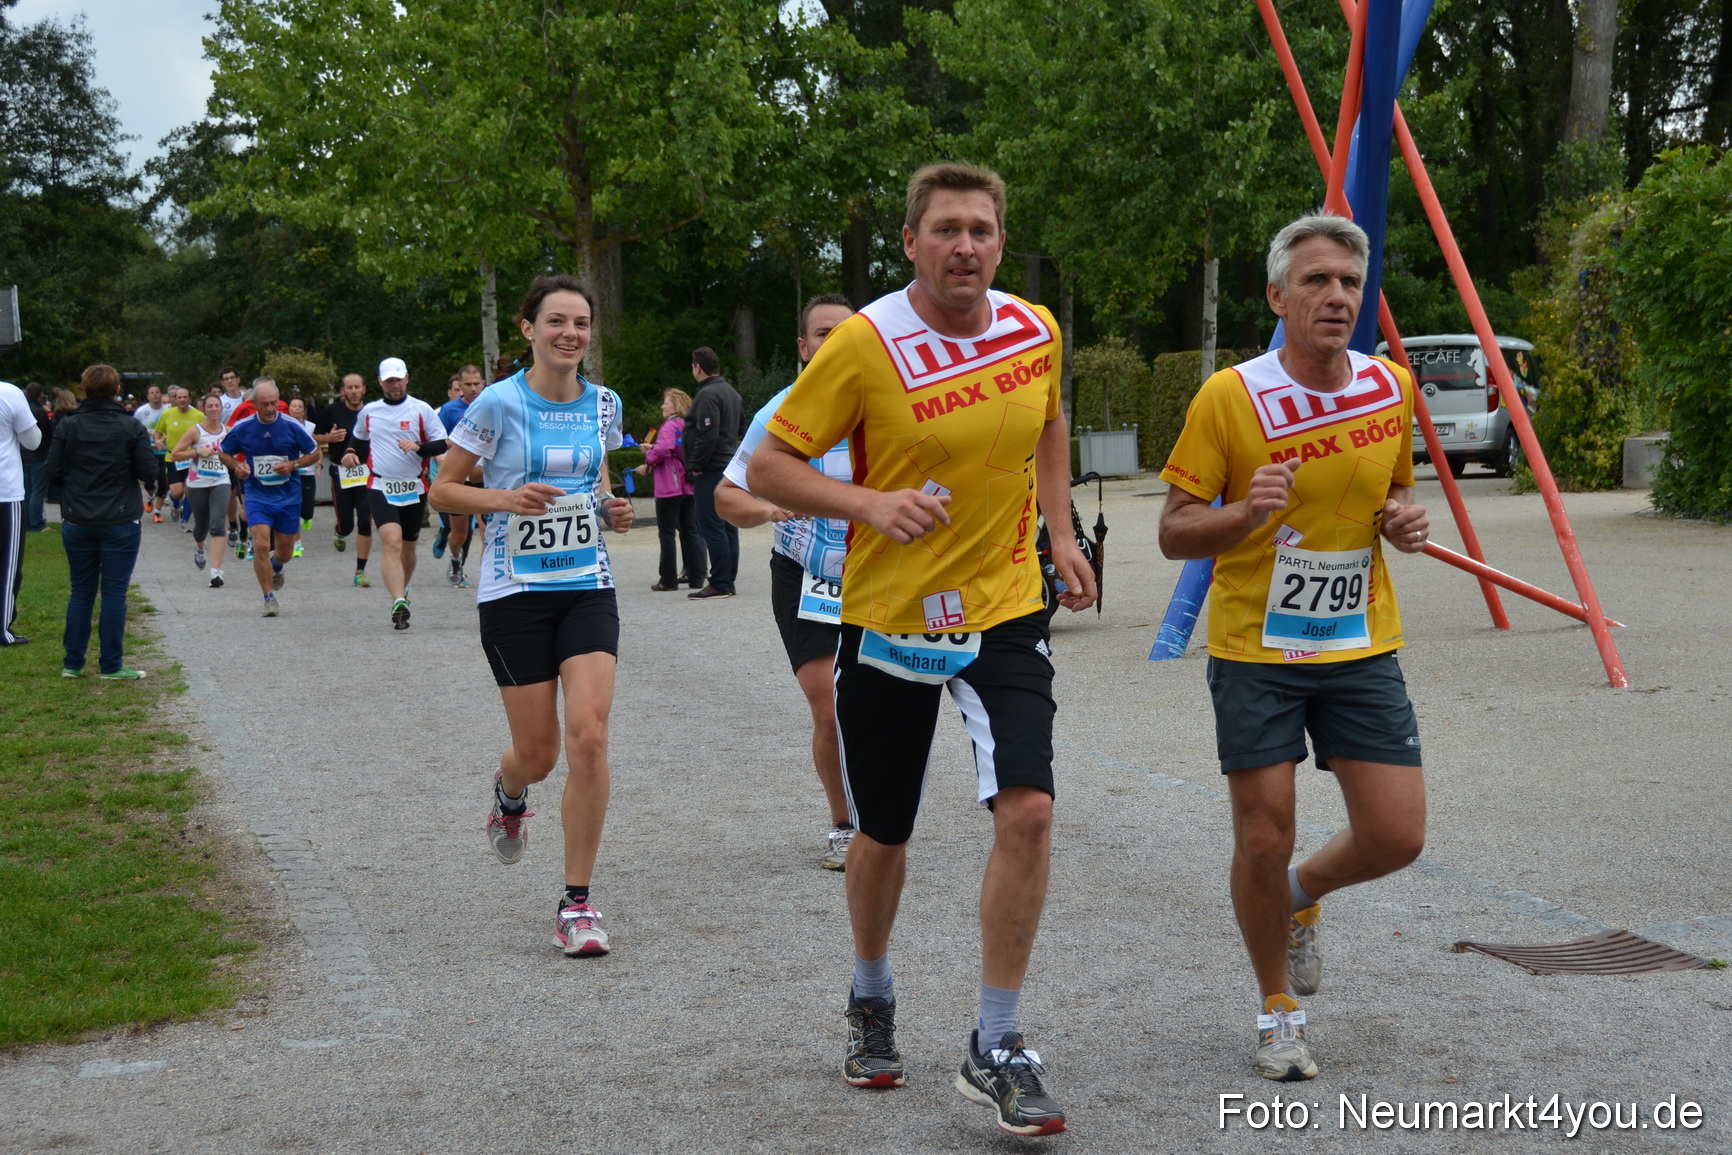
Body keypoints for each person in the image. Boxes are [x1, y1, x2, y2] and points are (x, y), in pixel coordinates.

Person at [748, 164, 1095, 1137]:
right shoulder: (865, 343)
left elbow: (1050, 422)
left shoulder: (1034, 329)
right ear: (910, 242)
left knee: (1029, 810)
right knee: (885, 832)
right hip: (890, 617)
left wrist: (1060, 533)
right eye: (945, 229)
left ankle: (998, 1042)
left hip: (1003, 608)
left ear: (1000, 241)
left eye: (981, 229)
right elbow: (771, 464)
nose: (965, 246)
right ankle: (870, 992)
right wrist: (866, 503)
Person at [1157, 213, 1430, 1083]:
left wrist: (1403, 522)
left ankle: (1301, 897)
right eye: (1316, 280)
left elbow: (1393, 496)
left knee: (1397, 835)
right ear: (1277, 296)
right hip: (1256, 648)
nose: (1336, 296)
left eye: (1349, 282)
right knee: (1262, 837)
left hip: (1358, 641)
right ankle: (1278, 1009)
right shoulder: (1229, 396)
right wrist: (1245, 512)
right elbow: (1172, 532)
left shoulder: (1390, 388)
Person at [431, 273, 634, 957]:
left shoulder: (604, 404)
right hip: (513, 592)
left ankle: (577, 903)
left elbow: (596, 479)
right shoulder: (497, 402)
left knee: (589, 738)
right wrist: (505, 499)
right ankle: (510, 791)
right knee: (540, 754)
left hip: (586, 584)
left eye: (581, 323)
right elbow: (443, 489)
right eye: (556, 321)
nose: (570, 334)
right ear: (529, 329)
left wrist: (610, 509)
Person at [717, 294, 857, 868]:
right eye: (823, 334)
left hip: (881, 575)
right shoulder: (780, 413)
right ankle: (845, 825)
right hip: (806, 576)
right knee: (831, 709)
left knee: (880, 706)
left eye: (846, 333)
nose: (834, 343)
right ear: (803, 347)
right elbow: (727, 496)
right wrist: (767, 508)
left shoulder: (892, 407)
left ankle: (881, 810)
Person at [43, 365, 158, 676]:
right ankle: (110, 664)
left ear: (84, 389)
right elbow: (149, 471)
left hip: (78, 517)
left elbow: (52, 471)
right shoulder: (130, 426)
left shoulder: (69, 425)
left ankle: (73, 664)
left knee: (81, 591)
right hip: (120, 517)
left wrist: (76, 486)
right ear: (117, 390)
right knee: (114, 592)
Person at [342, 357, 447, 629]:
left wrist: (419, 448)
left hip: (414, 486)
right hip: (380, 485)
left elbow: (442, 444)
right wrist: (350, 453)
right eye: (389, 380)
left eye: (398, 379)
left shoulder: (421, 410)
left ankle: (403, 587)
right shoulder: (370, 412)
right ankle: (398, 600)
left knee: (408, 549)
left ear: (407, 379)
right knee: (391, 541)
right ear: (380, 382)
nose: (395, 385)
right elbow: (358, 440)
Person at [218, 380, 321, 616]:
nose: (270, 408)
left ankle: (277, 566)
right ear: (254, 404)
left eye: (274, 403)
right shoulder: (243, 427)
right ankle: (269, 598)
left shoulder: (291, 425)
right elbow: (223, 452)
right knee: (262, 544)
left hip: (288, 496)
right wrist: (236, 465)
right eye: (264, 404)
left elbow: (314, 453)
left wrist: (293, 464)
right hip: (257, 495)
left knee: (285, 553)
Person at [683, 346, 743, 599]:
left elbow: (707, 434)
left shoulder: (707, 395)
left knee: (711, 526)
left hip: (710, 470)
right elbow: (741, 429)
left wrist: (696, 465)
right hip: (729, 467)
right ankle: (727, 579)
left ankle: (719, 583)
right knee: (728, 525)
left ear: (698, 367)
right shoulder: (732, 393)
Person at [636, 388, 703, 592]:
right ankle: (696, 576)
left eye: (666, 403)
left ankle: (668, 580)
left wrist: (649, 456)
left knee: (666, 533)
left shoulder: (669, 425)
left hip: (669, 485)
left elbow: (664, 448)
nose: (662, 406)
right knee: (690, 531)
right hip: (687, 483)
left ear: (676, 406)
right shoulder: (687, 425)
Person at [314, 372, 374, 585]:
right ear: (343, 391)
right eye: (350, 387)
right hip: (341, 473)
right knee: (347, 525)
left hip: (367, 473)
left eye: (357, 387)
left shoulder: (373, 411)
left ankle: (360, 571)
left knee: (365, 521)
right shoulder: (332, 411)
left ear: (364, 389)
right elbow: (314, 436)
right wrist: (329, 438)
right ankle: (340, 531)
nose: (354, 391)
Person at [171, 394, 234, 587]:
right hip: (197, 484)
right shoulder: (195, 431)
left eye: (217, 406)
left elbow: (239, 452)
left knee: (217, 525)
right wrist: (197, 451)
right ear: (204, 409)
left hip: (221, 481)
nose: (214, 409)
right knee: (201, 528)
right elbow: (175, 455)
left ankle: (216, 572)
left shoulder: (228, 431)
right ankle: (200, 547)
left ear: (221, 408)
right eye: (210, 406)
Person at [0, 378, 45, 645]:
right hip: (5, 490)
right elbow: (33, 440)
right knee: (7, 564)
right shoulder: (9, 393)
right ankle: (1, 628)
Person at [432, 363, 485, 586]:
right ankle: (455, 559)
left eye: (477, 383)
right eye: (468, 384)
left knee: (488, 534)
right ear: (459, 386)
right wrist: (441, 458)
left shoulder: (491, 405)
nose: (473, 388)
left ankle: (488, 581)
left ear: (483, 383)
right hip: (459, 479)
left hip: (484, 478)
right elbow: (436, 440)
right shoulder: (449, 410)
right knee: (459, 535)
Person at [156, 387, 203, 529]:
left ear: (189, 399)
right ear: (175, 399)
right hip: (174, 458)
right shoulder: (167, 414)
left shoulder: (199, 415)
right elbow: (158, 432)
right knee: (177, 493)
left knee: (190, 491)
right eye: (179, 397)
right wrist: (158, 441)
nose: (182, 400)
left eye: (185, 397)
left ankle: (185, 522)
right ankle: (175, 505)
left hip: (193, 458)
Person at [133, 384, 172, 522]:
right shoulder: (141, 411)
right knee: (149, 480)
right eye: (152, 392)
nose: (155, 394)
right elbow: (134, 428)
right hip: (147, 450)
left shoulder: (167, 411)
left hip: (163, 451)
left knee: (163, 480)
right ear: (148, 396)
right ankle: (151, 497)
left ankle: (157, 511)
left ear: (161, 394)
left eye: (157, 392)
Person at [19, 382, 52, 533]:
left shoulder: (23, 410)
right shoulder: (39, 412)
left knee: (27, 490)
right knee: (37, 491)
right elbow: (47, 434)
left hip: (24, 454)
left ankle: (26, 521)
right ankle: (36, 522)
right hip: (38, 455)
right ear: (40, 396)